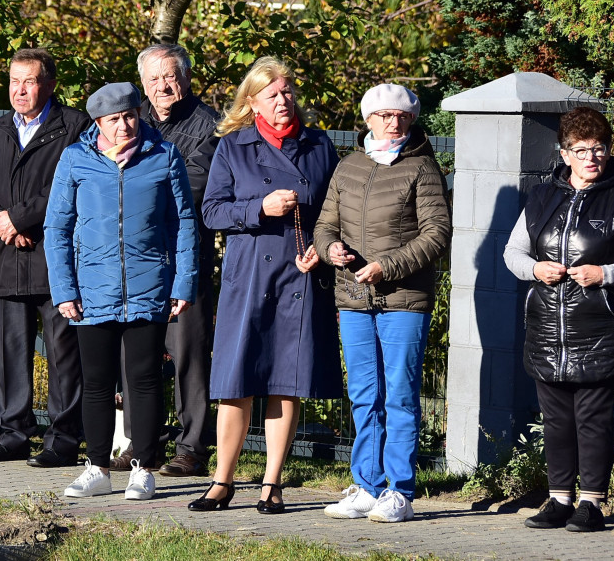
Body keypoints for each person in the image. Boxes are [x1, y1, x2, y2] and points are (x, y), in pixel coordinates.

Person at [190, 57, 341, 514]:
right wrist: (260, 207)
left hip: (300, 274)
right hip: (249, 274)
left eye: (288, 91)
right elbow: (212, 211)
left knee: (285, 379)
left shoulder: (319, 145)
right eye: (272, 94)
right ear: (252, 101)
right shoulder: (233, 146)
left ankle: (272, 482)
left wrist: (322, 244)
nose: (283, 100)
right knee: (236, 380)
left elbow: (335, 210)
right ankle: (222, 480)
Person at [503, 106, 614, 532]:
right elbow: (513, 253)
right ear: (564, 153)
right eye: (582, 150)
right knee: (555, 419)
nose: (592, 157)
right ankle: (558, 500)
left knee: (592, 418)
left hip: (599, 329)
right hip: (548, 329)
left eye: (600, 148)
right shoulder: (540, 198)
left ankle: (590, 503)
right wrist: (536, 269)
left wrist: (604, 274)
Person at [44, 82, 198, 501]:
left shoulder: (163, 155)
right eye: (114, 119)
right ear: (98, 123)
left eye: (130, 114)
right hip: (92, 289)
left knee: (145, 379)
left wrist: (182, 281)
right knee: (94, 381)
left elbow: (183, 222)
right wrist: (64, 289)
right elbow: (56, 227)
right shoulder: (76, 159)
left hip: (150, 285)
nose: (125, 124)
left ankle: (144, 468)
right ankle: (95, 467)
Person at [313, 84, 451, 523]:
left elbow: (436, 235)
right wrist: (329, 247)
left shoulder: (423, 169)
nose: (394, 123)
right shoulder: (347, 167)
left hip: (404, 300)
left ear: (411, 121)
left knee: (401, 397)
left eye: (402, 117)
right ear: (368, 119)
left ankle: (399, 492)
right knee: (363, 395)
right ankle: (366, 487)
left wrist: (386, 267)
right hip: (353, 297)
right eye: (385, 116)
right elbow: (324, 223)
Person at [0, 48, 91, 465]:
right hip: (5, 257)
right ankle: (14, 431)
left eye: (30, 81)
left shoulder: (73, 126)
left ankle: (64, 438)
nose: (20, 90)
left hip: (54, 258)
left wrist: (19, 219)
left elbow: (69, 184)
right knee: (10, 349)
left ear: (50, 84)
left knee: (63, 351)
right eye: (15, 81)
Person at [110, 44, 219, 477]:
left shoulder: (211, 125)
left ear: (186, 77)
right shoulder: (132, 121)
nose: (162, 86)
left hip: (184, 259)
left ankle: (192, 447)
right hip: (136, 260)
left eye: (170, 76)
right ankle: (142, 445)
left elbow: (195, 185)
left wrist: (133, 189)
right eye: (153, 79)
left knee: (189, 356)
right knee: (139, 354)